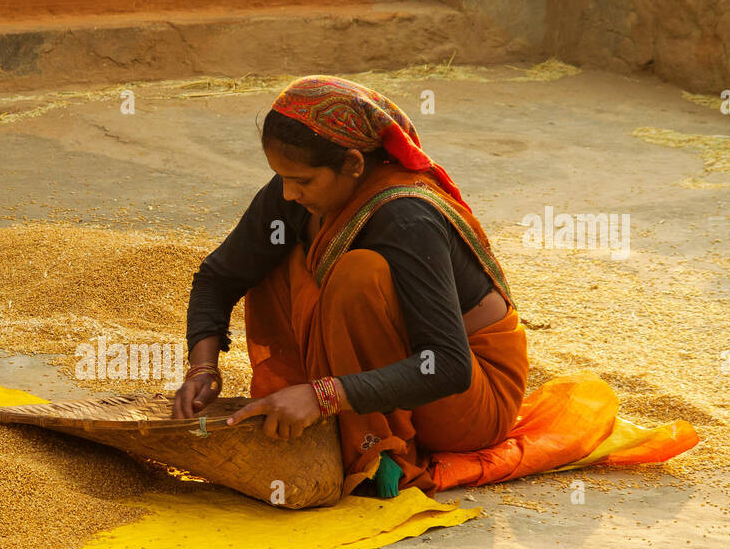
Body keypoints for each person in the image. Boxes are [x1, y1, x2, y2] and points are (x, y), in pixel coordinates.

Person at [172, 75, 529, 497]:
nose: (288, 193)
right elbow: (220, 275)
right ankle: (345, 419)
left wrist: (322, 397)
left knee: (358, 274)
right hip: (380, 378)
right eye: (281, 178)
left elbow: (447, 365)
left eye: (303, 181)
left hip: (468, 397)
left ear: (355, 164)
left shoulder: (407, 217)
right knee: (276, 254)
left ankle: (378, 451)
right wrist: (202, 367)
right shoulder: (293, 195)